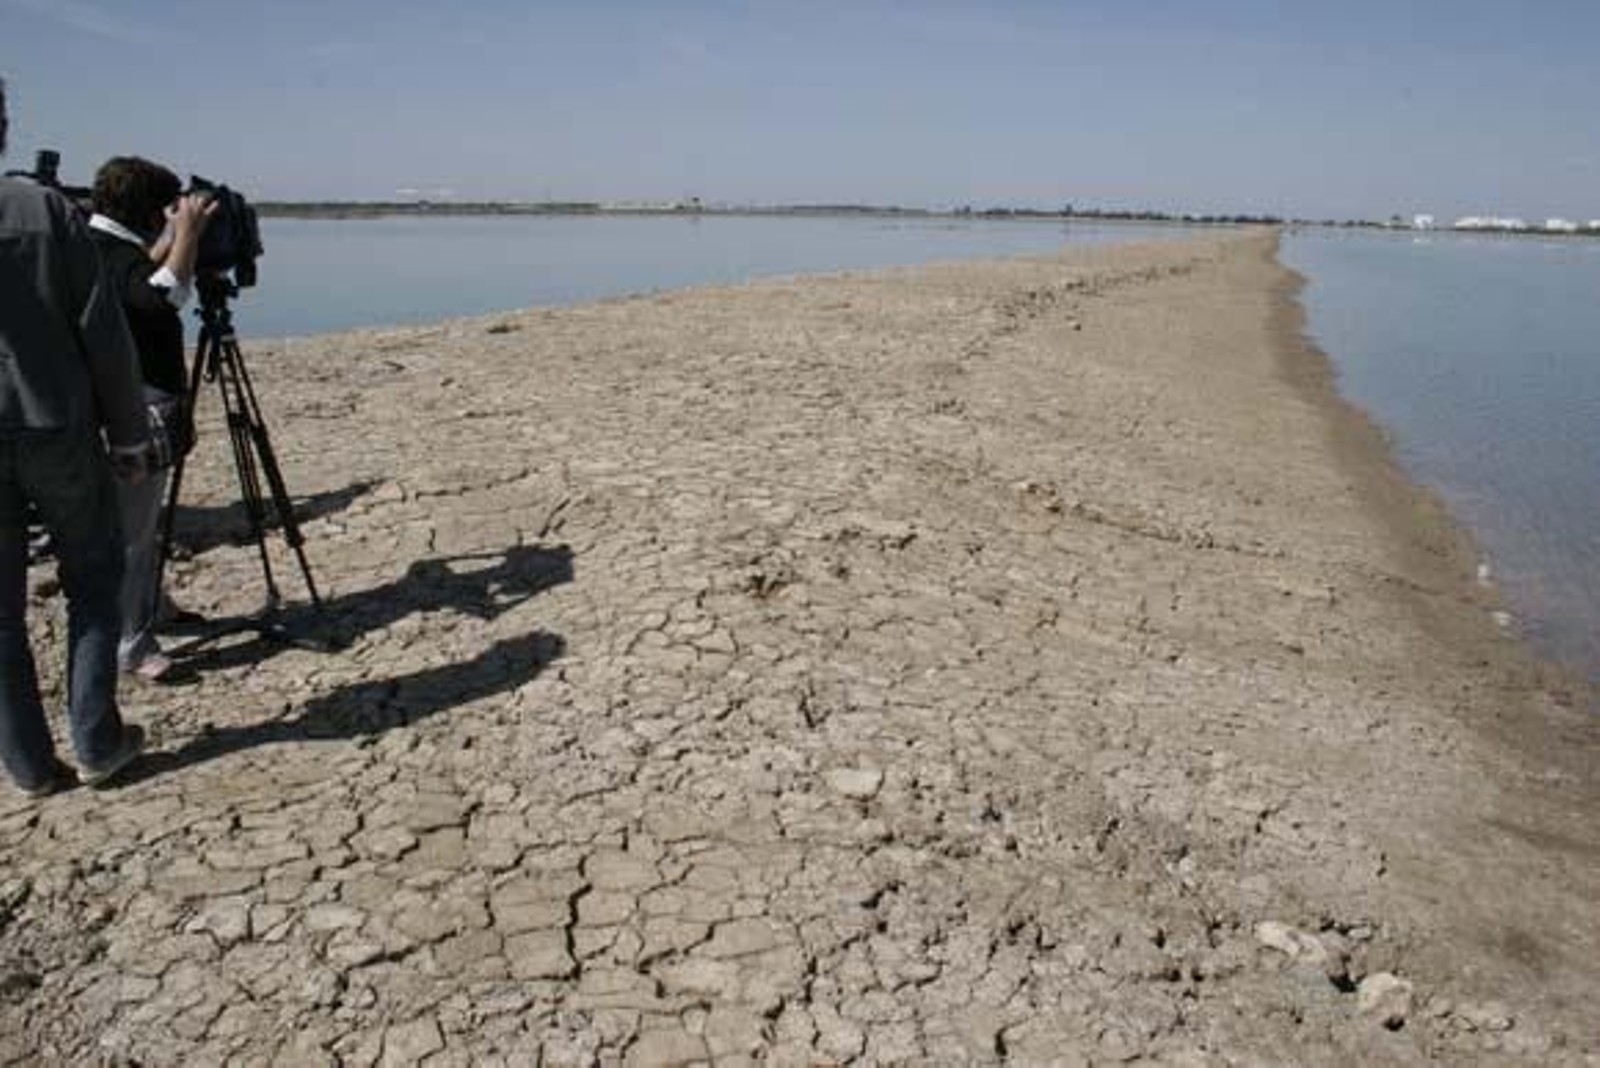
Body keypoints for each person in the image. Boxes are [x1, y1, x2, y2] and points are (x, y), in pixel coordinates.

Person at [0, 78, 151, 796]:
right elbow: (104, 333)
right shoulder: (43, 209)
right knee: (93, 577)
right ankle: (96, 740)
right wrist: (128, 435)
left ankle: (28, 765)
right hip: (54, 425)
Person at [88, 157, 214, 682]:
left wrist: (168, 242)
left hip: (119, 406)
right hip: (135, 413)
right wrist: (186, 234)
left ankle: (152, 605)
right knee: (133, 534)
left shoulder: (96, 246)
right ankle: (132, 644)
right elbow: (162, 299)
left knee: (141, 523)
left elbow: (136, 281)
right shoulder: (110, 253)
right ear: (149, 210)